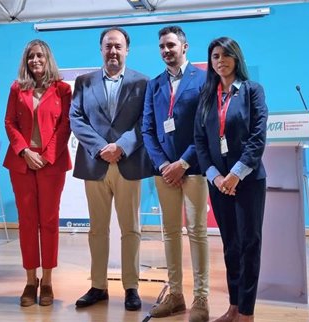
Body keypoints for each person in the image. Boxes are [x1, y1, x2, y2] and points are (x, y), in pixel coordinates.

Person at [69, 26, 151, 311]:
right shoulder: (83, 82)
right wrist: (102, 147)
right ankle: (98, 286)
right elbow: (76, 119)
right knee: (97, 229)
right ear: (101, 49)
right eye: (108, 46)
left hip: (128, 162)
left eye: (118, 46)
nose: (113, 51)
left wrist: (121, 146)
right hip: (95, 164)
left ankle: (131, 287)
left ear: (127, 49)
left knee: (131, 229)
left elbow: (145, 121)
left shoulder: (143, 82)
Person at [193, 37, 268, 322]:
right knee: (230, 246)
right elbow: (200, 141)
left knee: (249, 244)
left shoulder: (252, 91)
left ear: (236, 58)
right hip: (219, 183)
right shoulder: (207, 96)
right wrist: (215, 176)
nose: (220, 60)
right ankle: (234, 306)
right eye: (214, 56)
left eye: (226, 55)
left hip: (247, 182)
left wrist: (235, 175)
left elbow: (257, 138)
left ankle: (247, 313)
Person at [141, 25, 209, 322]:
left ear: (185, 47)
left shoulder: (204, 80)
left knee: (196, 233)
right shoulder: (154, 85)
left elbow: (205, 127)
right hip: (163, 172)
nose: (166, 50)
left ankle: (201, 298)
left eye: (171, 45)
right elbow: (147, 128)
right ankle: (176, 295)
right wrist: (162, 165)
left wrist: (182, 163)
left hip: (193, 169)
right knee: (169, 234)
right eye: (162, 47)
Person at [3, 39, 72, 307]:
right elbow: (9, 122)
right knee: (28, 222)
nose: (35, 60)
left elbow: (66, 125)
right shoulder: (16, 88)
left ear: (48, 58)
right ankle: (30, 281)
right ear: (26, 61)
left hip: (51, 164)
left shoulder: (63, 89)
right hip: (22, 163)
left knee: (49, 222)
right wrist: (24, 151)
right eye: (31, 56)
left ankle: (48, 281)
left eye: (40, 55)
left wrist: (46, 156)